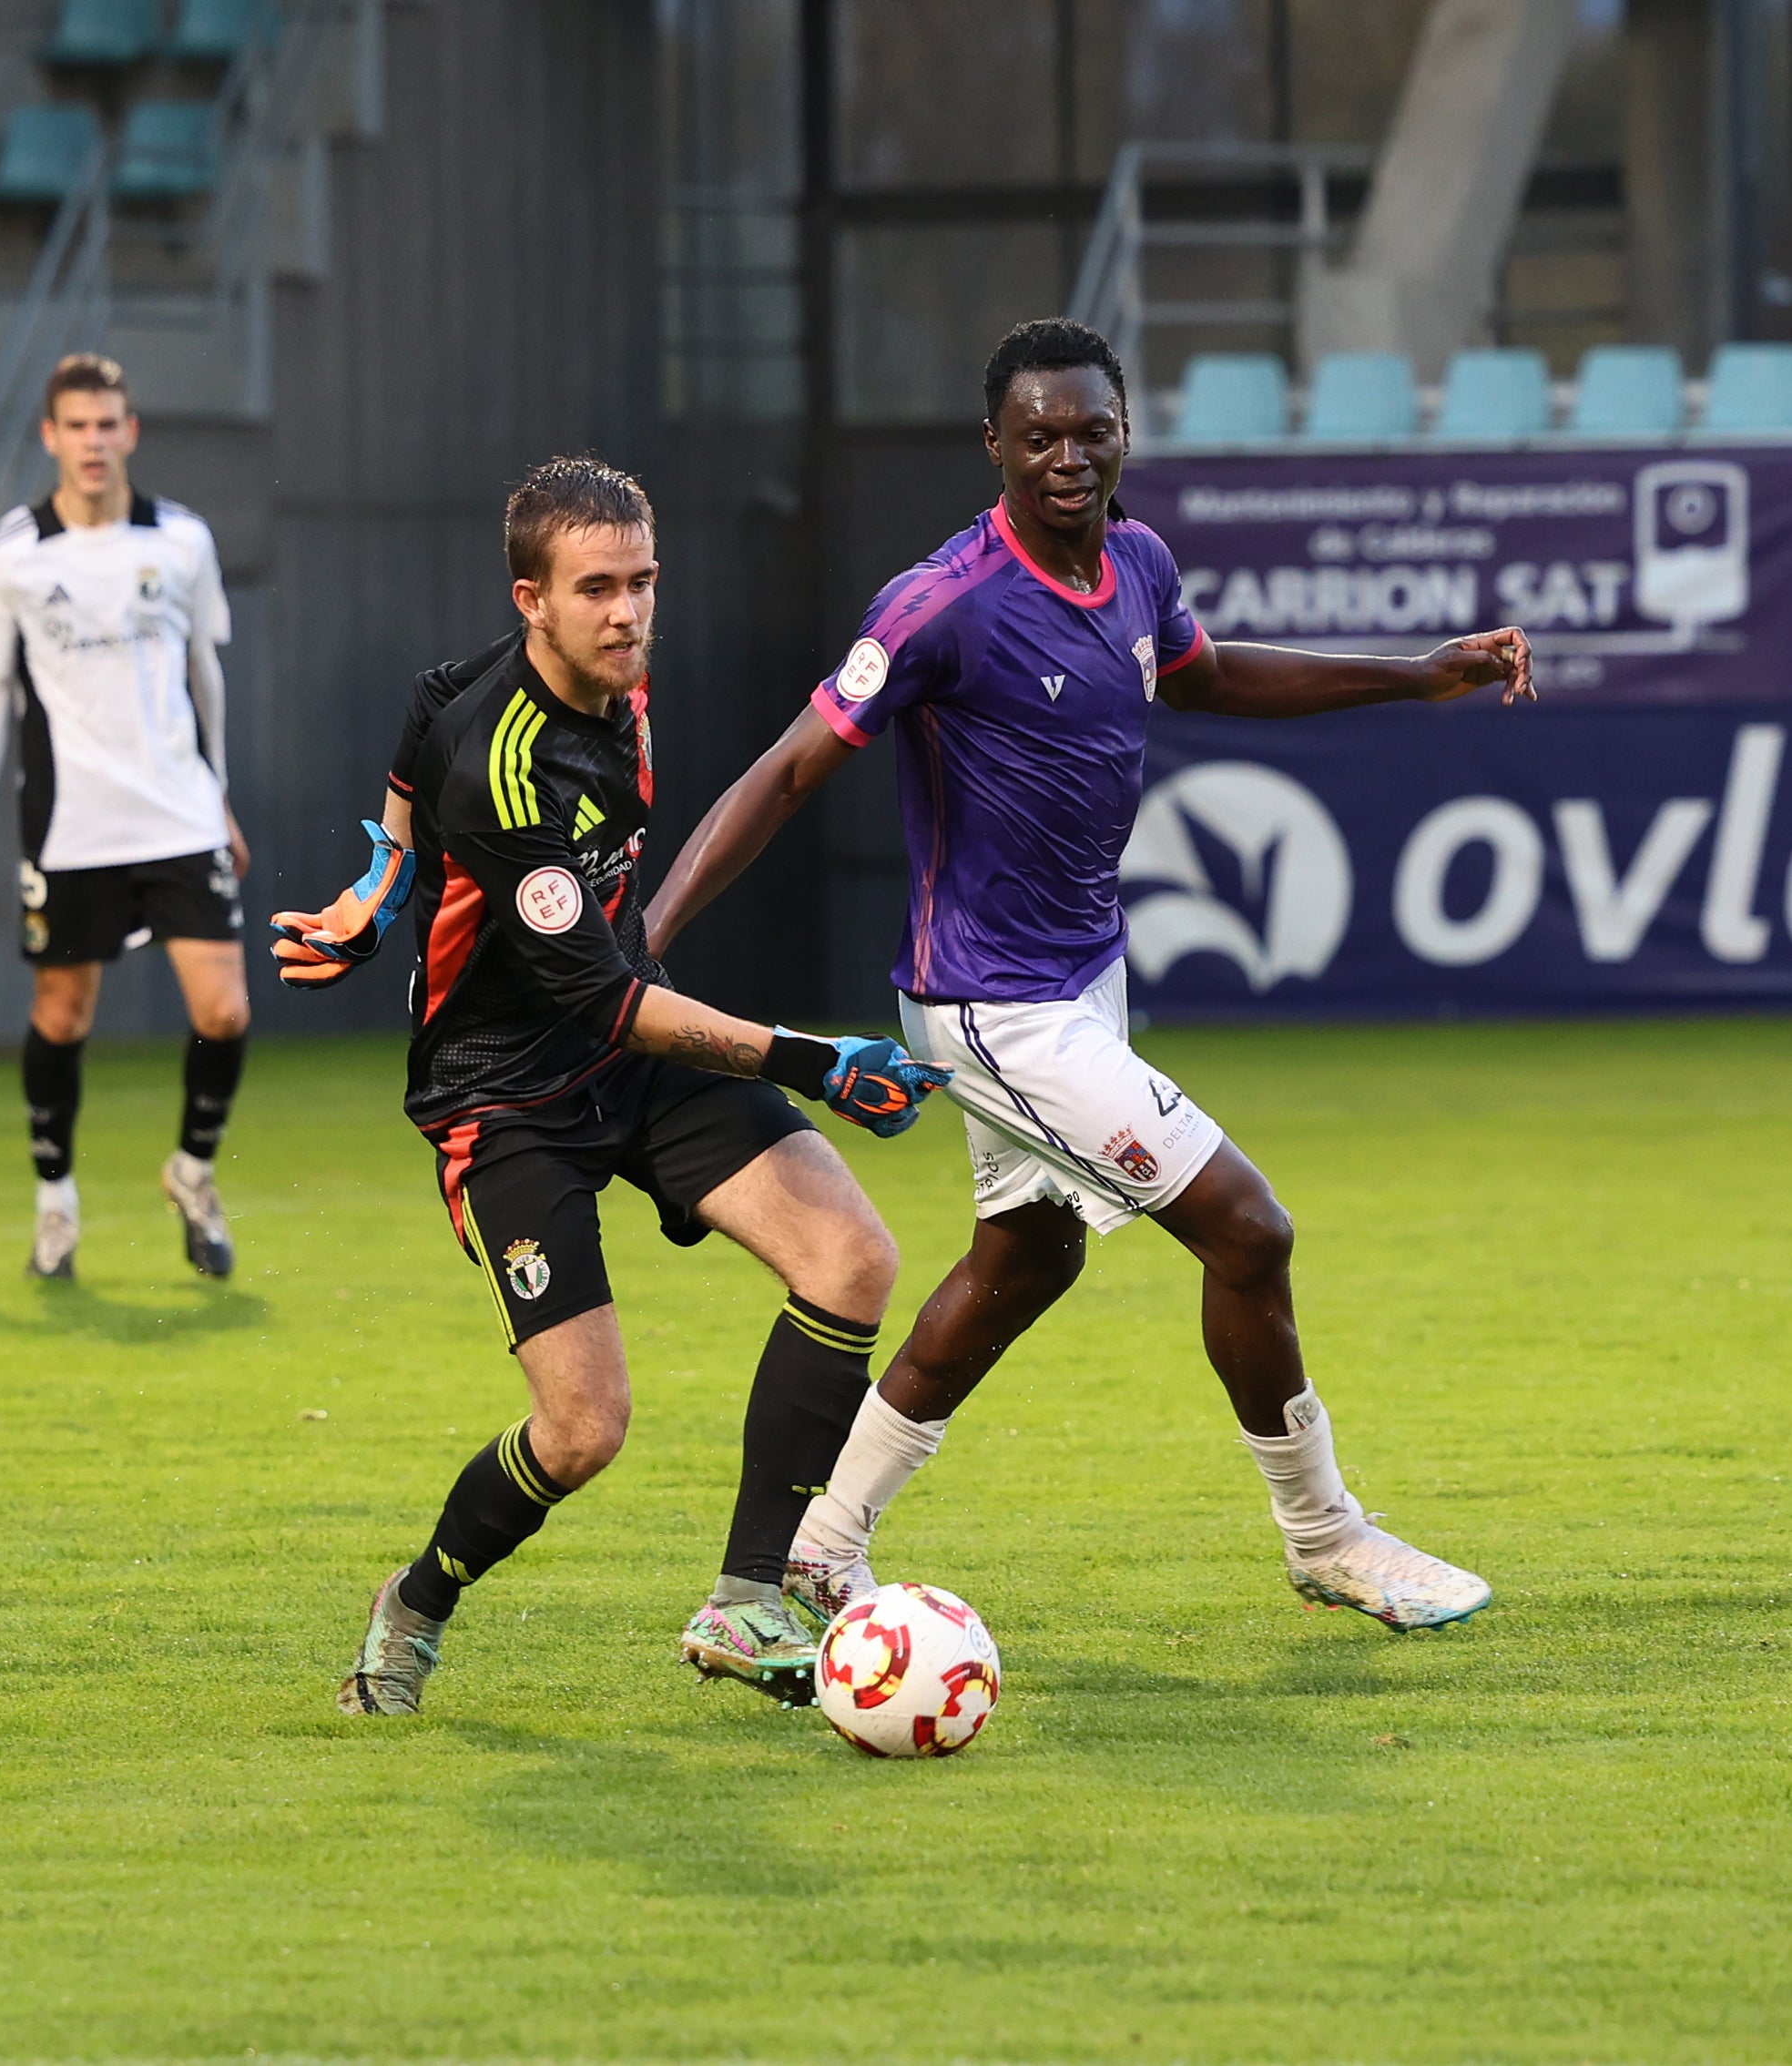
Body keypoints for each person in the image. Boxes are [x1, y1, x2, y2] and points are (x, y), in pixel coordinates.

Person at [646, 318, 1537, 1634]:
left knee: (1029, 1256)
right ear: (995, 446)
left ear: (1126, 433)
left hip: (1082, 979)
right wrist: (650, 931)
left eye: (1091, 430)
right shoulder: (940, 601)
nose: (1068, 455)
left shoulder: (1137, 562)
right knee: (1249, 1228)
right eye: (1040, 434)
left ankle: (822, 1548)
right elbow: (788, 767)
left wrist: (1419, 677)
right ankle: (1327, 1536)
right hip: (986, 1004)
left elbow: (1212, 678)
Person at [268, 456, 946, 1715]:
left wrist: (379, 891)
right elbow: (608, 996)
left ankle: (750, 1599)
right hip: (506, 1095)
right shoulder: (509, 763)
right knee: (583, 1430)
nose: (629, 612)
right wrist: (818, 1061)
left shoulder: (602, 690)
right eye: (597, 589)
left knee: (851, 1257)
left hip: (630, 1062)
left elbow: (410, 757)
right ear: (532, 596)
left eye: (642, 582)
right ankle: (416, 1599)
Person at [0, 352, 249, 1283]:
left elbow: (206, 675)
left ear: (130, 431)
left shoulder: (184, 541)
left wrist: (219, 791)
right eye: (77, 426)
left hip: (181, 814)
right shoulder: (13, 553)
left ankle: (191, 1173)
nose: (94, 441)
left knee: (225, 1010)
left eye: (108, 423)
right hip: (71, 826)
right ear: (51, 436)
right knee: (63, 1016)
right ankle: (56, 1204)